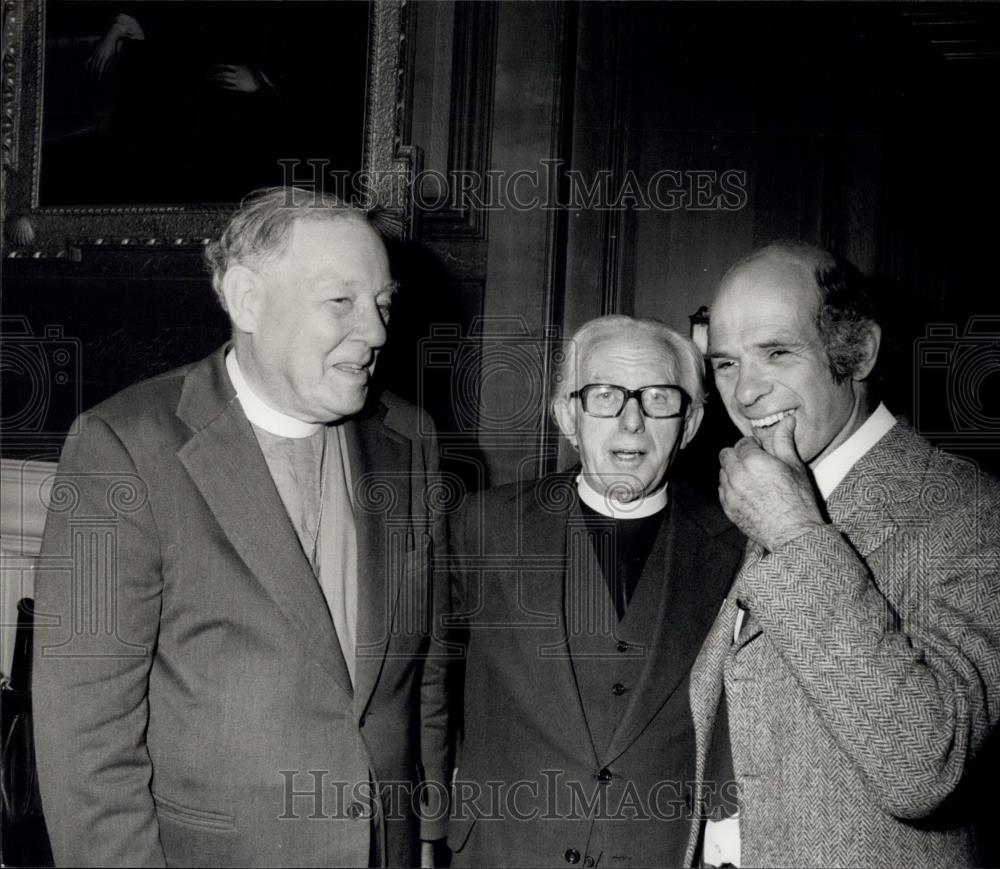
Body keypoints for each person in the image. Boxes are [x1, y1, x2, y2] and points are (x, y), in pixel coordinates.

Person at [32, 188, 449, 867]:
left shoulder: (409, 437)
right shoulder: (124, 445)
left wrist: (426, 832)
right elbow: (84, 735)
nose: (375, 331)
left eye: (382, 302)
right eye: (340, 301)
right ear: (247, 299)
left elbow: (422, 664)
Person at [688, 242, 1000, 867]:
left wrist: (796, 533)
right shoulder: (773, 482)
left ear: (857, 351)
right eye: (725, 363)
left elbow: (924, 765)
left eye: (777, 352)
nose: (745, 391)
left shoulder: (969, 509)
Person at [442, 316, 745, 867]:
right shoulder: (483, 526)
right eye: (605, 396)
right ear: (567, 416)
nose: (632, 422)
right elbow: (426, 680)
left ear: (691, 423)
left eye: (658, 398)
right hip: (505, 850)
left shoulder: (738, 543)